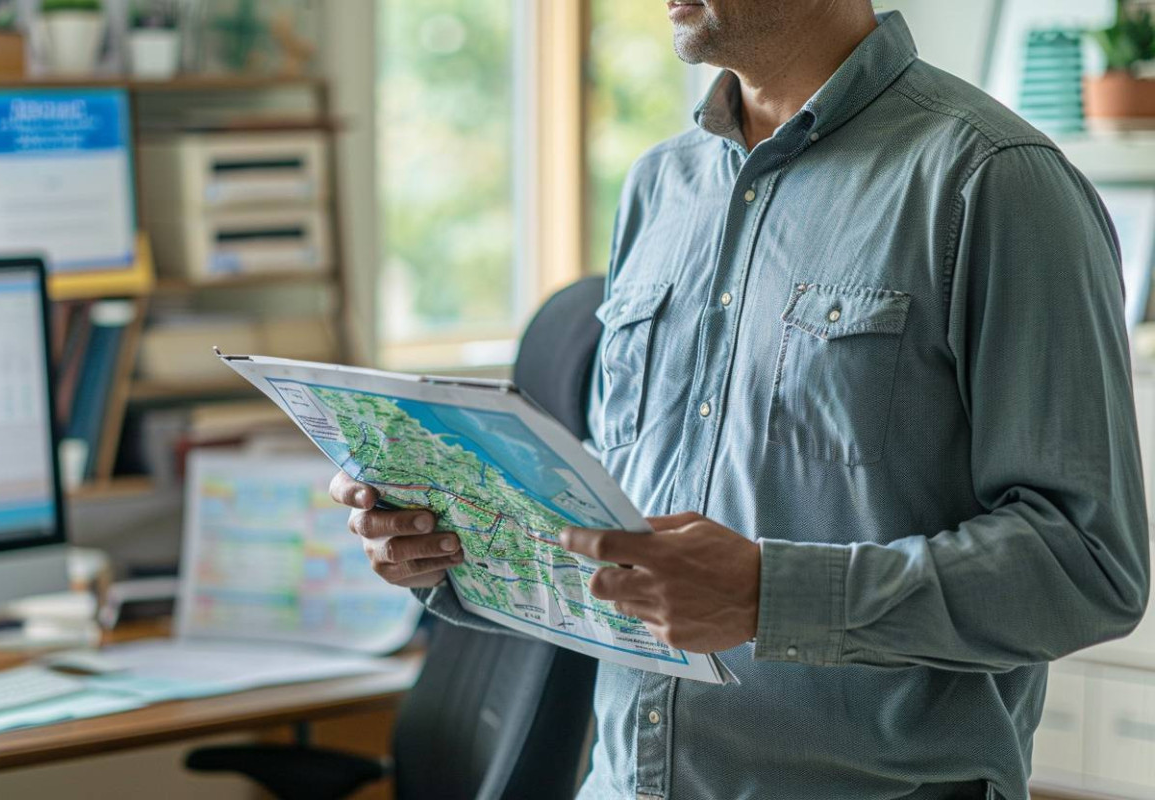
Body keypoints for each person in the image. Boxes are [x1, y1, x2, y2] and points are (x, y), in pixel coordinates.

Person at [331, 2, 1151, 798]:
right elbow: (622, 537)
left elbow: (1089, 565)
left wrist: (772, 596)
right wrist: (450, 554)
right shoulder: (659, 187)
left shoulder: (996, 181)